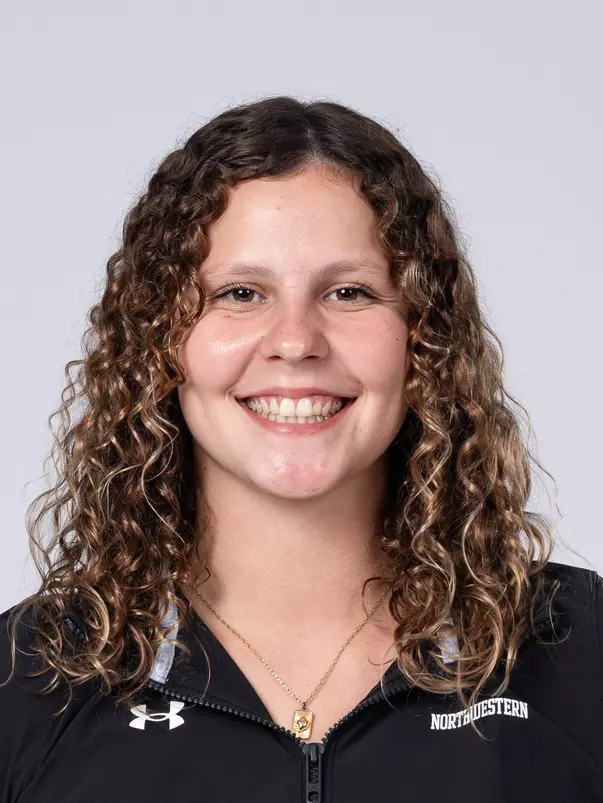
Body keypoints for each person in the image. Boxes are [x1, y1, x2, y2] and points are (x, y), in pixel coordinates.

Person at [1, 95, 602, 803]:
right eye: (240, 293)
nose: (294, 341)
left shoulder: (579, 653)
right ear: (159, 342)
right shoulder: (29, 684)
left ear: (424, 338)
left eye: (348, 292)